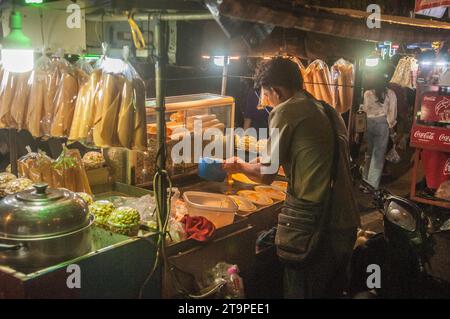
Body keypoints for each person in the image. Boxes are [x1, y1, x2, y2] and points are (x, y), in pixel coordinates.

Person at [223, 58, 360, 298]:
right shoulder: (327, 109)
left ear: (275, 90)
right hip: (346, 221)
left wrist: (239, 165)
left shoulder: (286, 110)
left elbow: (266, 174)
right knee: (332, 292)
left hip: (315, 227)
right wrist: (253, 162)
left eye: (267, 95)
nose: (267, 102)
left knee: (301, 291)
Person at [362, 74, 397, 190]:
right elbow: (391, 113)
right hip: (382, 123)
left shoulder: (367, 93)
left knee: (369, 154)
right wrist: (392, 129)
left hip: (368, 123)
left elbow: (365, 110)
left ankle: (364, 182)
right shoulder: (390, 93)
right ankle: (371, 185)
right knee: (378, 156)